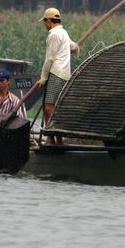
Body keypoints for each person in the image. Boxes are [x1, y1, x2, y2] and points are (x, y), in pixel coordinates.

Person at [36, 7, 79, 145]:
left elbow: (49, 59)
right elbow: (72, 46)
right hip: (65, 74)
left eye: (45, 22)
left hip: (56, 73)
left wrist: (42, 78)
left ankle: (50, 136)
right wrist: (76, 48)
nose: (44, 24)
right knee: (54, 106)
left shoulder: (53, 35)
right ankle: (57, 138)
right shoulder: (63, 32)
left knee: (49, 106)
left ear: (49, 21)